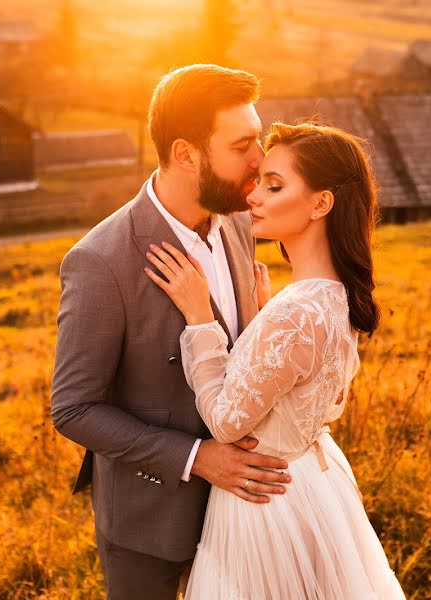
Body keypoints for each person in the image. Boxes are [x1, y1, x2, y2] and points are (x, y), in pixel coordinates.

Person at [50, 64, 293, 600]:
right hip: (151, 522)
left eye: (260, 140)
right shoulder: (100, 261)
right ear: (186, 154)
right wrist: (197, 458)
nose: (261, 160)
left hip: (245, 514)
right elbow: (73, 409)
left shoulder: (237, 220)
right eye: (243, 145)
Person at [143, 122, 407, 598]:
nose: (254, 197)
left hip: (263, 499)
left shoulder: (295, 313)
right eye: (259, 180)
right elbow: (296, 391)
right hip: (310, 485)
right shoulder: (335, 297)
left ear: (321, 203)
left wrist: (201, 318)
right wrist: (261, 321)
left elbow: (225, 423)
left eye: (274, 185)